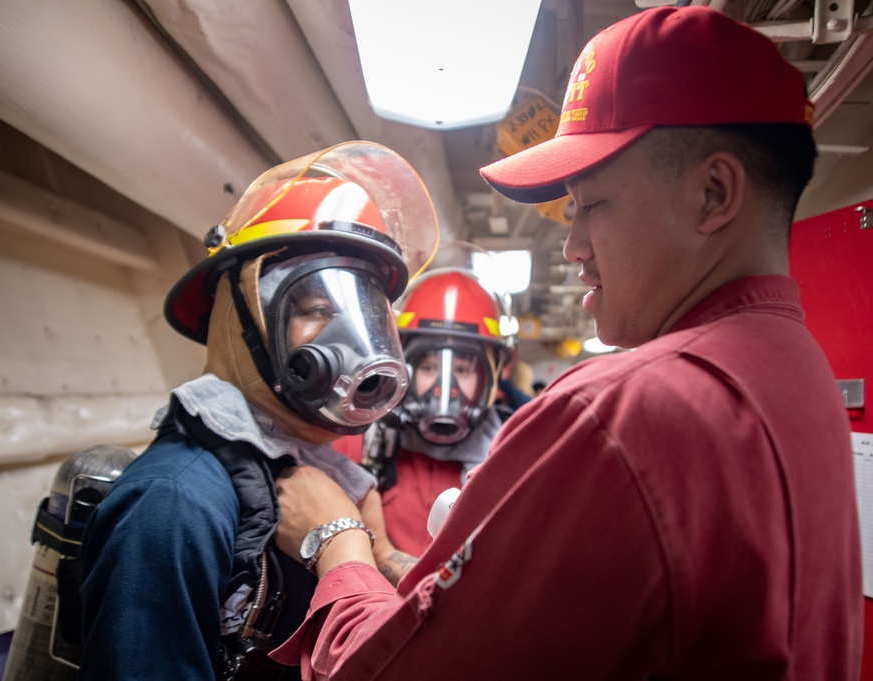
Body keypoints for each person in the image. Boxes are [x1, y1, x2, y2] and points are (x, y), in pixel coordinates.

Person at [270, 7, 862, 681]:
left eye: (591, 205)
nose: (573, 246)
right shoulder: (800, 373)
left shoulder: (619, 416)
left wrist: (337, 542)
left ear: (713, 192)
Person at [77, 141, 438, 681]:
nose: (357, 345)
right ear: (241, 320)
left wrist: (373, 552)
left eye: (365, 315)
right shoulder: (174, 503)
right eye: (318, 310)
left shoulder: (319, 475)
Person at [354, 259, 514, 565]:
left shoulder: (516, 454)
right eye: (429, 367)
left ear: (492, 374)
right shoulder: (366, 443)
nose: (445, 389)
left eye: (463, 369)